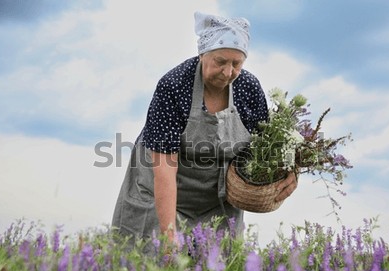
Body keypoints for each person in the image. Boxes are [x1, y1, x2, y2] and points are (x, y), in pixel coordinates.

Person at [111, 12, 298, 253]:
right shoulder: (175, 86)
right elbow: (165, 168)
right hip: (158, 192)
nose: (228, 72)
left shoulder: (249, 89)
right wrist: (169, 235)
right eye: (221, 61)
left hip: (215, 201)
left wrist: (287, 172)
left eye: (237, 64)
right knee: (150, 268)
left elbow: (265, 148)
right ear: (202, 54)